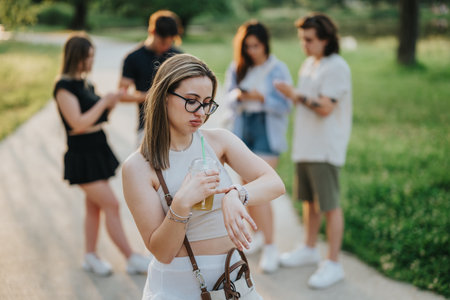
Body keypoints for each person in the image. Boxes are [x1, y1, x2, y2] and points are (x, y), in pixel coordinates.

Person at [121, 53, 286, 299]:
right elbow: (162, 252)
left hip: (232, 279)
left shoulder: (218, 141)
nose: (201, 111)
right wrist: (181, 203)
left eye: (207, 102)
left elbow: (274, 183)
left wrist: (236, 194)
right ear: (164, 97)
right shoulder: (138, 166)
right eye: (191, 100)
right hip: (177, 286)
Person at [53, 33, 150, 276]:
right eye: (89, 56)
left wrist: (113, 100)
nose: (92, 60)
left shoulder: (86, 84)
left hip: (97, 149)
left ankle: (90, 255)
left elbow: (99, 116)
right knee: (112, 204)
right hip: (82, 153)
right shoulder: (63, 87)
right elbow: (77, 123)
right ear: (77, 57)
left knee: (94, 208)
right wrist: (104, 101)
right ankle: (131, 257)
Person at [275, 13, 352, 289]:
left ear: (326, 39)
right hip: (305, 146)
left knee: (329, 205)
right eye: (301, 39)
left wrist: (294, 94)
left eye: (309, 40)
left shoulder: (336, 67)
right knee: (309, 201)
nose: (304, 45)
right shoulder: (309, 64)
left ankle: (333, 263)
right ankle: (308, 248)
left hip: (325, 148)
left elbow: (325, 107)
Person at [224, 20, 292, 273]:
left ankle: (272, 246)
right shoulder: (238, 67)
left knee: (259, 186)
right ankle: (259, 236)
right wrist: (239, 96)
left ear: (265, 44)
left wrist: (261, 98)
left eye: (256, 46)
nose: (252, 51)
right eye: (247, 47)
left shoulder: (278, 68)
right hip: (243, 127)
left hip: (267, 128)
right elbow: (228, 97)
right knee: (247, 188)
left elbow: (286, 105)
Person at [119, 10, 183, 146]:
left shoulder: (179, 57)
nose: (167, 47)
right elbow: (122, 95)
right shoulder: (133, 58)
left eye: (170, 42)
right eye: (163, 42)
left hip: (177, 126)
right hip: (146, 127)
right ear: (152, 31)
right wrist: (152, 96)